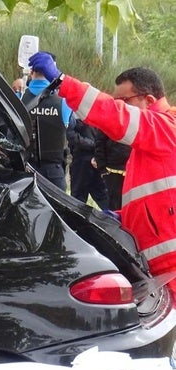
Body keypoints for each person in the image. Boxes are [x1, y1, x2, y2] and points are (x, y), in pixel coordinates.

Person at [29, 52, 176, 296]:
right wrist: (124, 217)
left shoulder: (166, 127)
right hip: (162, 269)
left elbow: (112, 114)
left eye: (124, 101)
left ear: (149, 100)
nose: (119, 106)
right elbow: (158, 199)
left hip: (169, 269)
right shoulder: (153, 140)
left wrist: (63, 82)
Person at [21, 52, 72, 191]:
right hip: (54, 173)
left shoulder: (18, 100)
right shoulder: (64, 102)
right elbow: (71, 129)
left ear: (31, 72)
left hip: (26, 170)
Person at [66, 115, 108, 209]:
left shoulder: (77, 112)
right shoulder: (78, 113)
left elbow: (71, 135)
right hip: (88, 159)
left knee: (81, 197)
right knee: (100, 195)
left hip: (88, 160)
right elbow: (71, 135)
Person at [93, 129, 131, 211]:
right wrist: (102, 168)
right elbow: (100, 143)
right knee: (115, 203)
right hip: (112, 169)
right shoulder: (108, 120)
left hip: (132, 169)